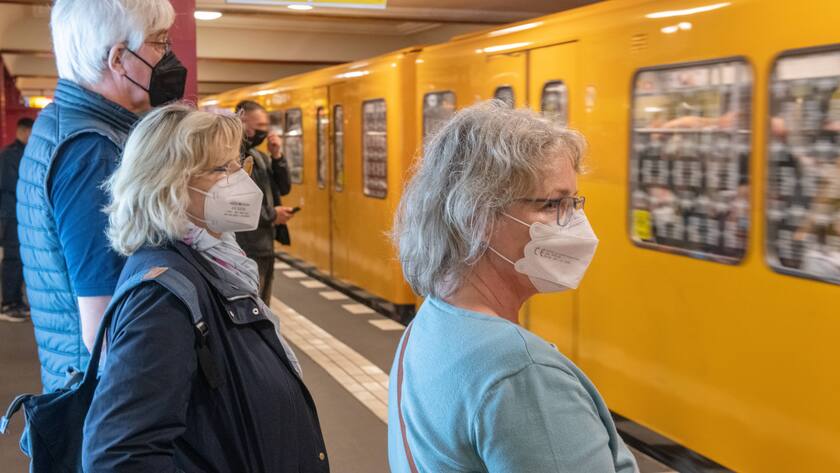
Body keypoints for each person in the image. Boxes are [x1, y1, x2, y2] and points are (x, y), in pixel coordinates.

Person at [389, 101, 639, 472]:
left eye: (574, 203)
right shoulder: (521, 376)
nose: (576, 224)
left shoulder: (430, 324)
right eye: (554, 204)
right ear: (478, 218)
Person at [83, 104, 329, 472]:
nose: (240, 179)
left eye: (238, 164)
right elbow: (119, 454)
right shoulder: (160, 298)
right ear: (170, 184)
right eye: (221, 169)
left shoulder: (213, 263)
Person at [16, 0, 186, 392]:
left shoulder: (62, 124)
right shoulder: (93, 151)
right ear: (118, 59)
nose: (167, 56)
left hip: (83, 386)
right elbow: (105, 329)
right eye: (159, 42)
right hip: (107, 400)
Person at [234, 100, 295, 303]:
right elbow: (236, 203)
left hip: (264, 244)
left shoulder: (259, 157)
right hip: (244, 246)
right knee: (252, 304)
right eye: (259, 126)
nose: (264, 131)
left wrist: (277, 156)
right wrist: (272, 214)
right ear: (241, 121)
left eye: (266, 126)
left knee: (263, 304)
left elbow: (283, 187)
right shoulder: (231, 159)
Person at [0, 117, 33, 322]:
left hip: (20, 214)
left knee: (20, 260)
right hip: (11, 215)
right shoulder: (9, 155)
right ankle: (8, 304)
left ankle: (17, 301)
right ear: (25, 132)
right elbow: (11, 185)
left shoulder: (23, 153)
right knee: (12, 259)